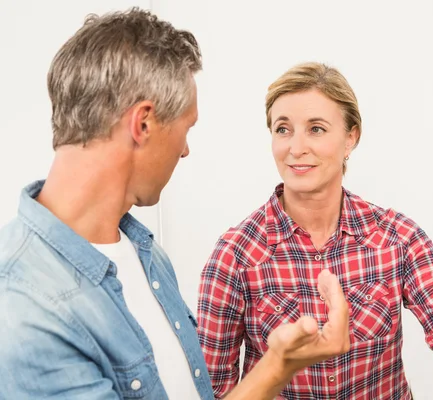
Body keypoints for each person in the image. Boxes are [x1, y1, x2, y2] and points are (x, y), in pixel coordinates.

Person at [0, 9, 350, 400]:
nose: (184, 150)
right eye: (186, 128)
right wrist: (278, 367)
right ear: (144, 124)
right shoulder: (24, 309)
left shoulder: (144, 253)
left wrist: (276, 364)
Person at [196, 62, 433, 399]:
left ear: (351, 138)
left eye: (316, 128)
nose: (296, 147)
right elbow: (212, 391)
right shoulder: (235, 254)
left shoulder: (398, 238)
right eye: (282, 129)